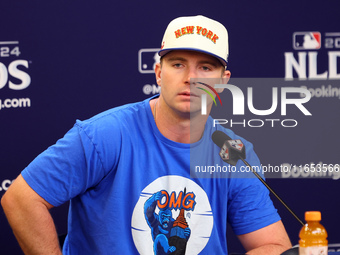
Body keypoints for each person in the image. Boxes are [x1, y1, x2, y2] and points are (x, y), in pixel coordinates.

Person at [1, 15, 292, 254]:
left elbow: (272, 244)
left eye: (205, 67)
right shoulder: (106, 134)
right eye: (178, 64)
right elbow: (21, 199)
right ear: (158, 73)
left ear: (223, 82)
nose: (191, 78)